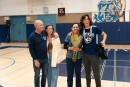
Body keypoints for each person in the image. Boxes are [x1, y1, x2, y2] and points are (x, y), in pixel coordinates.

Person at [79, 14, 107, 87]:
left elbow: (104, 34)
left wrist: (103, 41)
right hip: (85, 54)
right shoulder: (82, 30)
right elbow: (75, 35)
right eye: (84, 19)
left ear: (89, 20)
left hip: (94, 54)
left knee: (96, 74)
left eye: (87, 19)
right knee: (87, 74)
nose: (86, 20)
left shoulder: (95, 28)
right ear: (82, 21)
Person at [28, 20, 48, 87]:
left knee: (45, 75)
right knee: (37, 75)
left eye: (42, 24)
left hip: (45, 59)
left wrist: (56, 34)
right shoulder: (32, 36)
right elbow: (31, 49)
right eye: (41, 25)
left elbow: (52, 32)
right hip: (37, 59)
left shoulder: (44, 33)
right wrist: (35, 60)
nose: (43, 26)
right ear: (36, 26)